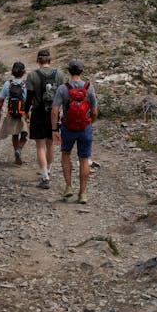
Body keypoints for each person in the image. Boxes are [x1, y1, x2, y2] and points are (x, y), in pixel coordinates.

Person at [51, 58, 98, 204]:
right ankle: (83, 193)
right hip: (85, 128)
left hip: (68, 127)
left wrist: (54, 129)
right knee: (84, 159)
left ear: (69, 71)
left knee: (66, 154)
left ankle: (68, 186)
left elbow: (54, 111)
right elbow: (95, 111)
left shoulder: (63, 88)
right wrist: (91, 122)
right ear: (82, 71)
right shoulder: (89, 87)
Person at [24, 48, 65, 189]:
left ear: (38, 61)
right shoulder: (59, 75)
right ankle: (48, 170)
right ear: (50, 60)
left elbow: (29, 97)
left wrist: (25, 112)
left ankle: (44, 177)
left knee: (40, 146)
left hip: (38, 112)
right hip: (54, 113)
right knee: (50, 144)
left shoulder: (32, 75)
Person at [0, 61, 28, 165]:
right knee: (24, 134)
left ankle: (16, 156)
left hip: (11, 113)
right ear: (23, 72)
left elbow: (1, 100)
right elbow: (29, 101)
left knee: (15, 134)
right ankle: (19, 149)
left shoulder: (7, 84)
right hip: (23, 113)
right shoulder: (25, 84)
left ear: (13, 72)